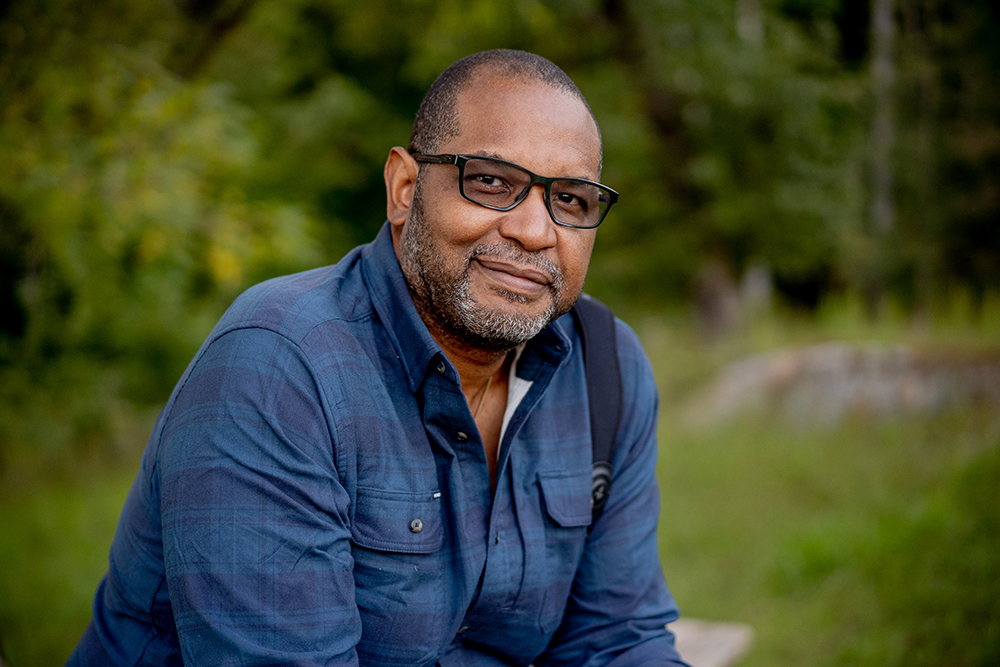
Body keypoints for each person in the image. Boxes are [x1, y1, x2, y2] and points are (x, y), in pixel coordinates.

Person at [68, 49, 689, 667]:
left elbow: (616, 642)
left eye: (572, 201)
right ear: (404, 188)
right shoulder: (278, 369)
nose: (534, 230)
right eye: (492, 182)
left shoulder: (605, 368)